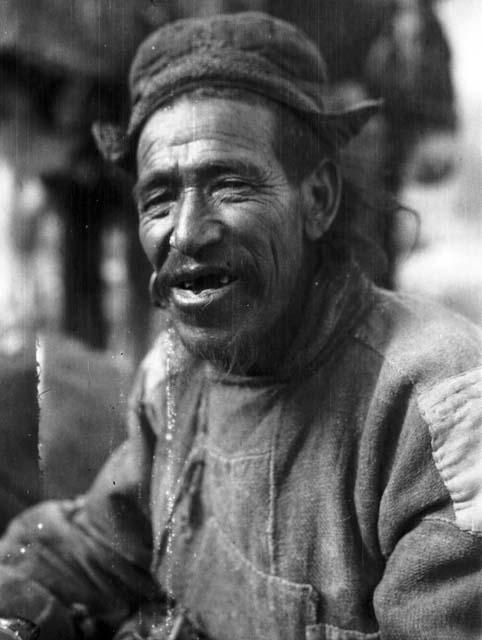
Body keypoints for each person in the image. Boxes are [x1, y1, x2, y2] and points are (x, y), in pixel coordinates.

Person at [0, 12, 480, 640]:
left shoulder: (439, 418)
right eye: (159, 198)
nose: (187, 231)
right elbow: (100, 541)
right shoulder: (171, 377)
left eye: (229, 183)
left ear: (317, 200)